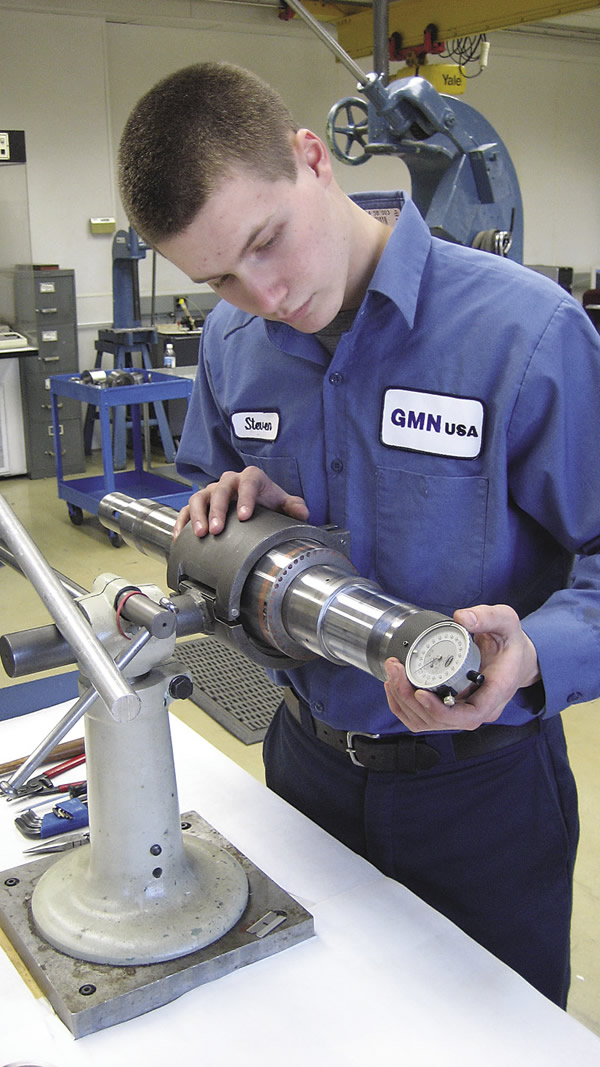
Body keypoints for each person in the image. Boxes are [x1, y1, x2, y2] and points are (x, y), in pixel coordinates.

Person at [118, 61, 600, 1008]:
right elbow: (202, 509)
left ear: (313, 158)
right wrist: (226, 513)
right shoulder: (229, 344)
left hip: (484, 794)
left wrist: (537, 652)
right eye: (218, 275)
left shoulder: (525, 335)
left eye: (266, 240)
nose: (262, 293)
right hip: (301, 769)